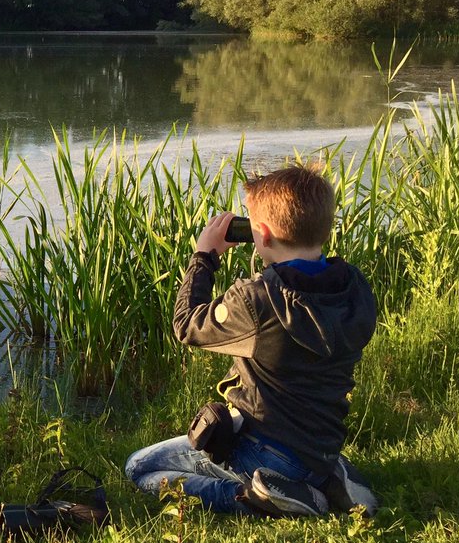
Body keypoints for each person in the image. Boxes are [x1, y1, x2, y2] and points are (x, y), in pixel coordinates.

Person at [124, 163, 380, 517]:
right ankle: (328, 477)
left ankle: (261, 495)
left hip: (267, 452)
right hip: (321, 447)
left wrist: (204, 257)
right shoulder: (354, 286)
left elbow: (185, 325)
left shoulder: (258, 299)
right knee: (301, 453)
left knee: (139, 468)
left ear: (262, 233)